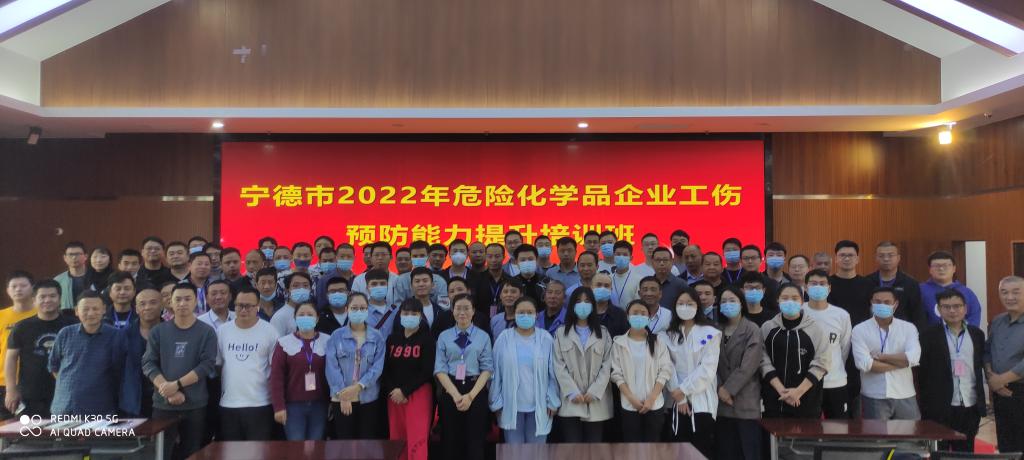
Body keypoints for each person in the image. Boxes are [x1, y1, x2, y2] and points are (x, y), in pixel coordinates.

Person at [142, 283, 218, 460]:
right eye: (178, 299)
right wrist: (167, 390)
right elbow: (148, 363)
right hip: (163, 404)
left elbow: (207, 365)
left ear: (196, 302)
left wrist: (176, 385)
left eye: (187, 299)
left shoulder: (206, 332)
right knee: (161, 451)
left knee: (192, 451)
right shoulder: (158, 331)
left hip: (195, 404)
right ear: (170, 302)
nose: (182, 303)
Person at [919, 289, 986, 452]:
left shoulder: (977, 334)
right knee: (938, 452)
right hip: (939, 407)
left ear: (965, 308)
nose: (952, 311)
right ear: (939, 309)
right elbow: (922, 373)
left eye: (957, 306)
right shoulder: (927, 335)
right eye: (946, 307)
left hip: (970, 404)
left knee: (965, 452)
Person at [659, 287, 721, 458]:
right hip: (675, 401)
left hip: (702, 400)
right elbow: (667, 366)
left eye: (689, 303)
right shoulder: (666, 335)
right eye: (681, 303)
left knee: (701, 449)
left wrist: (684, 390)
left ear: (697, 306)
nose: (685, 307)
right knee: (678, 450)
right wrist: (678, 396)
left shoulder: (710, 333)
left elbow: (707, 368)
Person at [490, 297, 560, 444]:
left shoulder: (545, 338)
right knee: (514, 451)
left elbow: (553, 373)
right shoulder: (504, 338)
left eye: (530, 312)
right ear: (514, 314)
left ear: (536, 315)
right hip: (510, 405)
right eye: (521, 312)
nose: (525, 316)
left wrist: (552, 401)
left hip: (539, 405)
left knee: (537, 451)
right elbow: (495, 372)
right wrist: (496, 401)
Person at [5, 279, 77, 419]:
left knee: (66, 431)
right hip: (31, 393)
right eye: (42, 297)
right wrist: (11, 390)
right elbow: (11, 358)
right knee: (31, 432)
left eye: (52, 296)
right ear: (34, 300)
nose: (47, 300)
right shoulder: (22, 327)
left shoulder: (73, 325)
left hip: (66, 391)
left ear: (60, 299)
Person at [434, 294, 493, 460]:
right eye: (458, 308)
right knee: (451, 439)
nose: (462, 312)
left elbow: (487, 369)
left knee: (475, 439)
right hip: (451, 389)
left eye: (466, 308)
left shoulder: (483, 336)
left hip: (475, 389)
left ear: (473, 311)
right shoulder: (444, 336)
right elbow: (440, 369)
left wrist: (470, 396)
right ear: (452, 311)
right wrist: (456, 395)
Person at [48, 290, 126, 416]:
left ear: (104, 310)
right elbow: (54, 366)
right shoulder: (65, 333)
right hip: (64, 407)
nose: (90, 313)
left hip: (99, 408)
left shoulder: (115, 336)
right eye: (85, 309)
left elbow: (119, 371)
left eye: (95, 309)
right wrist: (71, 385)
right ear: (76, 311)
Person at [217, 285, 279, 441]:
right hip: (229, 403)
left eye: (248, 306)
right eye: (239, 306)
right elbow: (218, 364)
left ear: (257, 306)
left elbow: (276, 368)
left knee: (258, 450)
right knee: (231, 451)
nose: (243, 310)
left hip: (260, 403)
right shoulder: (223, 331)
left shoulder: (270, 331)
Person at [552, 287, 614, 443]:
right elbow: (558, 365)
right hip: (571, 400)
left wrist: (595, 391)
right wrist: (572, 392)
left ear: (593, 305)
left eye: (587, 301)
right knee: (572, 447)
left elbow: (607, 365)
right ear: (572, 305)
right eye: (578, 301)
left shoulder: (603, 333)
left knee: (594, 447)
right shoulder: (561, 333)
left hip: (596, 400)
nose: (583, 305)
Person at [760, 284, 830, 418]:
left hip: (807, 402)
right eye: (785, 298)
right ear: (778, 300)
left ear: (802, 301)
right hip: (774, 401)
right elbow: (763, 360)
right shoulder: (767, 328)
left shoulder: (815, 329)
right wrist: (782, 391)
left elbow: (822, 363)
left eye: (795, 298)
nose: (790, 302)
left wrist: (798, 392)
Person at [852, 286, 921, 420]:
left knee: (911, 433)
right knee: (876, 434)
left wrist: (883, 357)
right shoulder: (860, 329)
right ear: (871, 303)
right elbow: (864, 364)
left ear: (895, 304)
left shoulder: (908, 328)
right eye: (877, 302)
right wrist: (901, 363)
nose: (882, 305)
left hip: (905, 394)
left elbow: (913, 358)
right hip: (874, 395)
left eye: (887, 302)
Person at [610, 300, 673, 443]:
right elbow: (616, 374)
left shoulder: (658, 342)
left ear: (648, 317)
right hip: (629, 405)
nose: (639, 316)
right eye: (635, 313)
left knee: (652, 447)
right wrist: (631, 399)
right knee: (632, 447)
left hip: (654, 405)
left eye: (643, 313)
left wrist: (651, 399)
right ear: (628, 317)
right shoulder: (619, 343)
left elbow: (665, 370)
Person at [326, 292, 387, 440]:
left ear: (367, 310)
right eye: (354, 308)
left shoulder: (377, 336)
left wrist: (359, 386)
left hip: (368, 397)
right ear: (347, 309)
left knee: (367, 441)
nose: (358, 311)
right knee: (345, 442)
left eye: (362, 308)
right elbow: (331, 367)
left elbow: (377, 367)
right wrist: (343, 395)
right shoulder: (336, 336)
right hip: (342, 398)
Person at [382, 299, 435, 460]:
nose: (409, 316)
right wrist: (393, 390)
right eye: (406, 313)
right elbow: (385, 369)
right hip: (394, 395)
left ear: (421, 316)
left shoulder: (427, 339)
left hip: (418, 393)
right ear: (400, 315)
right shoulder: (392, 339)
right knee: (397, 437)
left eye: (414, 313)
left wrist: (405, 391)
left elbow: (427, 371)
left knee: (417, 438)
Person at [715, 286, 764, 460]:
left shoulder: (752, 329)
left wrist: (728, 390)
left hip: (745, 400)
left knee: (748, 452)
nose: (728, 304)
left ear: (741, 303)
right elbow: (709, 364)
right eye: (724, 301)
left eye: (732, 300)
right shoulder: (716, 330)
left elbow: (749, 366)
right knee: (726, 451)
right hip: (720, 403)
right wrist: (719, 388)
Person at [270, 301, 331, 441]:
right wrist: (279, 406)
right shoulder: (284, 343)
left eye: (310, 314)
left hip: (320, 405)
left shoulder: (327, 341)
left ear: (317, 318)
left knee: (316, 445)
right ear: (295, 318)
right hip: (293, 406)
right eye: (301, 314)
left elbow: (333, 373)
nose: (306, 317)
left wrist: (332, 402)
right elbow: (276, 378)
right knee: (296, 446)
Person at [801, 269, 853, 419]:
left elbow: (844, 348)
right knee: (807, 428)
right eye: (813, 283)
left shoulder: (841, 315)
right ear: (805, 287)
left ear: (829, 288)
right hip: (804, 383)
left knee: (838, 428)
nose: (818, 287)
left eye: (822, 284)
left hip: (835, 382)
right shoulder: (798, 312)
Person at [985, 276, 1024, 453]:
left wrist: (1002, 380)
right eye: (1004, 292)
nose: (1010, 297)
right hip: (1000, 392)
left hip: (1020, 388)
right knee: (1006, 443)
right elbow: (987, 351)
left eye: (1016, 292)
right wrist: (991, 378)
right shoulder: (997, 321)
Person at [121, 286, 162, 417]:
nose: (147, 307)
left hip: (165, 397)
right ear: (136, 309)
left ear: (162, 305)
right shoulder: (123, 335)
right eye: (142, 304)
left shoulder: (174, 332)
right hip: (134, 399)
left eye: (153, 302)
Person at [0, 271, 37, 418]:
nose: (18, 289)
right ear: (7, 290)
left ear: (32, 288)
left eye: (23, 285)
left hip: (33, 382)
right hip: (3, 382)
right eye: (14, 286)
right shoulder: (1, 316)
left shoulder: (42, 313)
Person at [866, 242, 926, 329]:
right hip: (872, 330)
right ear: (876, 258)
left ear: (898, 258)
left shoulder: (910, 283)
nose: (886, 259)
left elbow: (918, 313)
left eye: (890, 255)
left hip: (903, 331)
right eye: (881, 256)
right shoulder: (867, 282)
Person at [920, 251, 983, 327]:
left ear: (954, 268)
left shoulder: (967, 293)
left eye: (946, 265)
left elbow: (973, 319)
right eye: (936, 266)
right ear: (930, 269)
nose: (941, 268)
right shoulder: (919, 291)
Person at [828, 240, 874, 325]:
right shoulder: (827, 283)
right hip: (834, 329)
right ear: (836, 259)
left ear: (857, 259)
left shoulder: (868, 284)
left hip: (861, 331)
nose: (847, 258)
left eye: (851, 255)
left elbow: (873, 311)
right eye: (842, 255)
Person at [271, 272, 314, 337]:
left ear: (310, 289)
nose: (301, 289)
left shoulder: (314, 313)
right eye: (296, 286)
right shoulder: (279, 317)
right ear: (287, 290)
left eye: (305, 285)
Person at [54, 241, 88, 311]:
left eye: (78, 254)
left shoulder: (95, 277)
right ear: (65, 258)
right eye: (70, 254)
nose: (74, 257)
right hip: (67, 316)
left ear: (86, 256)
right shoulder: (58, 281)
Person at [591, 272, 628, 336]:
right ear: (591, 288)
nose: (602, 288)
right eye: (599, 285)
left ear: (611, 290)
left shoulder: (620, 314)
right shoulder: (584, 312)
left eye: (606, 286)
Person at [611, 241, 642, 308]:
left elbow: (638, 304)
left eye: (625, 255)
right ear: (613, 257)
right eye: (618, 254)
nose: (621, 257)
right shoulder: (608, 278)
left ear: (631, 258)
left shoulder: (638, 280)